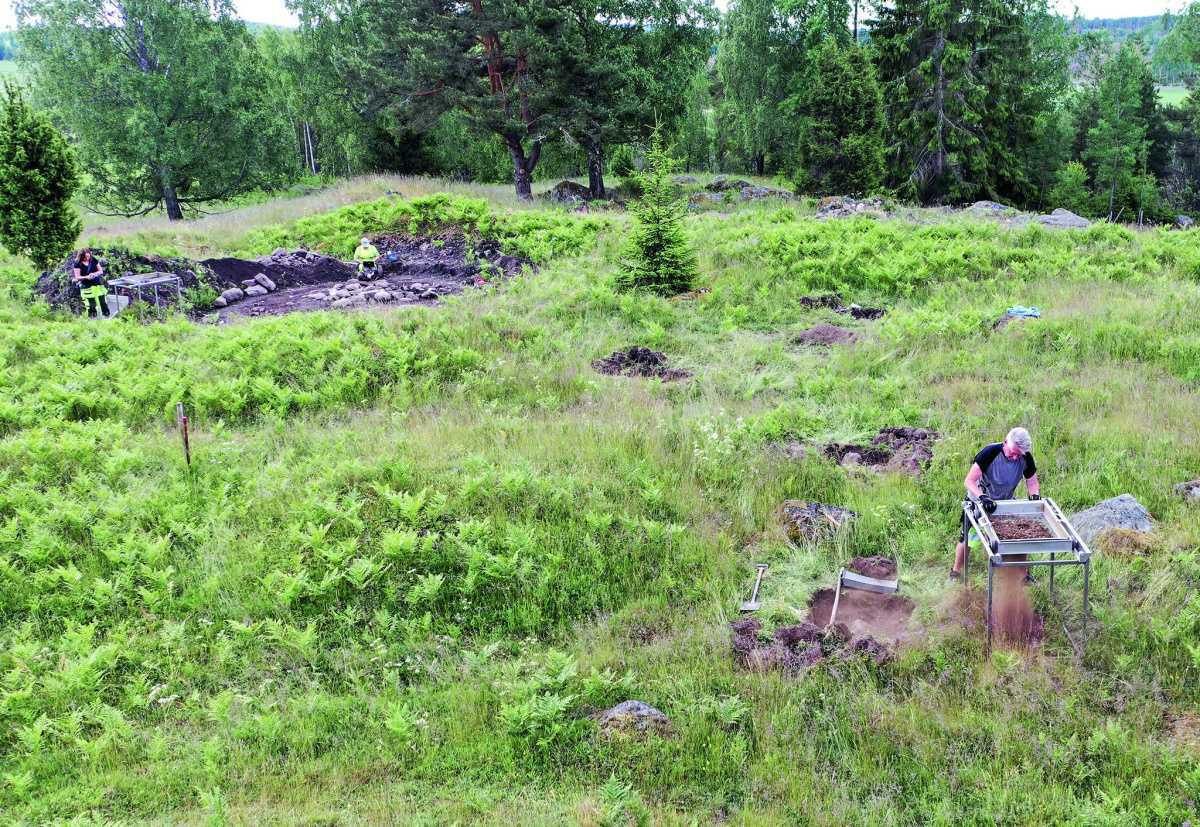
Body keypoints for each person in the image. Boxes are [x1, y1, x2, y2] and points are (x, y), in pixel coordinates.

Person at [950, 427, 1040, 579]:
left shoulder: (1026, 458)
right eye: (1012, 453)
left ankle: (1023, 575)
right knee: (967, 537)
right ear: (1005, 442)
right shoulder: (990, 452)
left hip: (1004, 503)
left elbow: (1032, 483)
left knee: (1020, 536)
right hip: (979, 500)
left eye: (1018, 455)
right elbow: (969, 481)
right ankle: (955, 572)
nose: (1015, 458)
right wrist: (982, 497)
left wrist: (1035, 496)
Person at [71, 249, 110, 318]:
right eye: (85, 257)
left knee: (102, 301)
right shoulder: (77, 263)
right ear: (81, 256)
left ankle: (107, 316)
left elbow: (101, 271)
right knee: (91, 304)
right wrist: (87, 277)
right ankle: (92, 318)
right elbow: (77, 277)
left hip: (97, 284)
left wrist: (94, 274)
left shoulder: (93, 259)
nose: (87, 258)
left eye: (88, 256)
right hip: (86, 286)